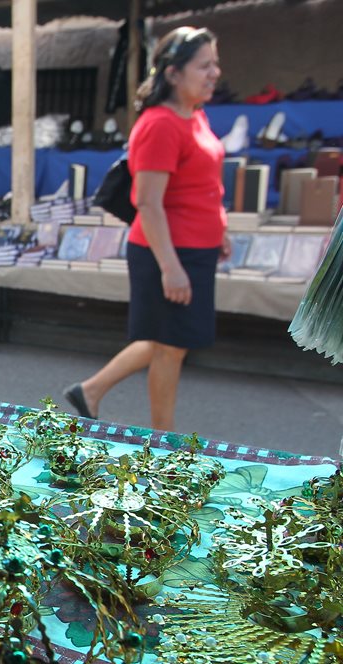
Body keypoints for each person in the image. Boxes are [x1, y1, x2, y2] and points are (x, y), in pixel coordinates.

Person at [64, 27, 227, 432]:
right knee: (170, 347)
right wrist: (171, 267)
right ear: (173, 73)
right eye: (204, 65)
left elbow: (200, 186)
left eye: (215, 64)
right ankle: (162, 438)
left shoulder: (195, 116)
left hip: (193, 248)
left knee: (170, 342)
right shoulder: (159, 125)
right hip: (167, 250)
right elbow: (148, 203)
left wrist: (218, 229)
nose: (214, 73)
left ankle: (92, 391)